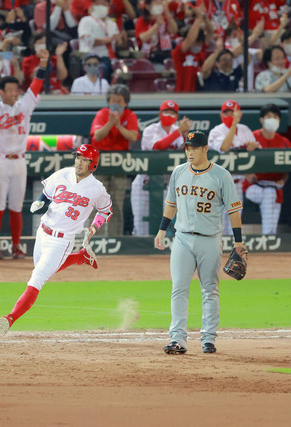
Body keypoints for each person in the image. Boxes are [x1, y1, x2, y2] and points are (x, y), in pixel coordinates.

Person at [0, 144, 112, 334]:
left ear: (93, 165)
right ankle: (81, 257)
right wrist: (39, 202)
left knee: (38, 277)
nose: (79, 162)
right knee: (42, 268)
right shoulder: (62, 174)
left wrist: (94, 227)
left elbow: (106, 210)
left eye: (85, 160)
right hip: (43, 232)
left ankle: (10, 318)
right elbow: (47, 194)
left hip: (63, 240)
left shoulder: (97, 189)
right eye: (78, 157)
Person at [155, 130, 245, 355]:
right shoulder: (178, 172)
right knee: (178, 288)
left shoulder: (221, 175)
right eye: (187, 147)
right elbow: (171, 204)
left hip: (209, 240)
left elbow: (234, 211)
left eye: (194, 148)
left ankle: (209, 338)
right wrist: (161, 230)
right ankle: (177, 339)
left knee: (210, 289)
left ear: (206, 149)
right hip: (182, 238)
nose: (190, 152)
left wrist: (238, 243)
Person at [0, 50, 50, 260]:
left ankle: (15, 246)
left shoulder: (25, 106)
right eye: (10, 89)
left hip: (19, 161)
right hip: (0, 160)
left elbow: (36, 86)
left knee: (16, 207)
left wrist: (43, 64)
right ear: (1, 92)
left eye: (16, 89)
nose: (15, 92)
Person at [131, 100, 190, 236]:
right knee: (141, 224)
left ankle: (161, 254)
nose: (169, 115)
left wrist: (185, 135)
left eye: (172, 112)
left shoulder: (179, 131)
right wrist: (179, 132)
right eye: (166, 112)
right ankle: (140, 252)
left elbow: (187, 154)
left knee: (165, 224)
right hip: (144, 183)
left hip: (168, 185)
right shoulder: (150, 130)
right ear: (160, 113)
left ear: (177, 115)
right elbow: (157, 147)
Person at [90, 84, 139, 236]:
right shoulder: (102, 113)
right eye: (113, 100)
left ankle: (115, 238)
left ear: (125, 102)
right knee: (96, 203)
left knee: (116, 204)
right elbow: (97, 136)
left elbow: (133, 137)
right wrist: (111, 122)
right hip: (100, 164)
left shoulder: (130, 115)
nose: (116, 104)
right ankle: (92, 239)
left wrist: (118, 125)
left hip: (119, 164)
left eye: (119, 101)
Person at [208, 99, 259, 235]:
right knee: (218, 226)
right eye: (227, 113)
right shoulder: (216, 131)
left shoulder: (245, 130)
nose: (230, 116)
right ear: (221, 115)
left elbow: (256, 152)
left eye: (233, 113)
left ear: (239, 114)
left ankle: (233, 254)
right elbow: (224, 147)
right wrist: (234, 123)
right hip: (217, 185)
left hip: (236, 184)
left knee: (234, 224)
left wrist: (253, 147)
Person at [243, 103, 291, 235]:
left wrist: (283, 180)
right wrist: (247, 173)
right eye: (269, 116)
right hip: (253, 186)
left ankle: (269, 237)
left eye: (276, 116)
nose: (273, 119)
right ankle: (268, 237)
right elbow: (238, 160)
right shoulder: (251, 137)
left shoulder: (285, 142)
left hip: (274, 186)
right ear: (261, 119)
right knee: (270, 194)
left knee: (272, 196)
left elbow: (287, 169)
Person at [77, 0, 127, 82]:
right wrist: (108, 40)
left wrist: (123, 39)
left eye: (103, 4)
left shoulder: (112, 23)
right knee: (103, 68)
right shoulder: (86, 20)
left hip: (112, 59)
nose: (101, 6)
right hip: (94, 58)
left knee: (125, 70)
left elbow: (120, 44)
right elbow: (85, 39)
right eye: (97, 4)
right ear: (93, 5)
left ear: (108, 5)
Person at [171, 5, 212, 92]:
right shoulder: (179, 52)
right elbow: (190, 39)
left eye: (199, 42)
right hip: (181, 92)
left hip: (196, 93)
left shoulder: (199, 52)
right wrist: (198, 18)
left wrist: (204, 17)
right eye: (196, 42)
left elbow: (210, 32)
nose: (197, 44)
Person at [135, 0, 178, 64]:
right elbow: (143, 38)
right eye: (157, 3)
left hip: (165, 53)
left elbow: (174, 31)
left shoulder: (164, 18)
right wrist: (157, 25)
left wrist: (167, 13)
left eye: (161, 2)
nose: (160, 4)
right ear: (147, 6)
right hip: (149, 57)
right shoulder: (141, 20)